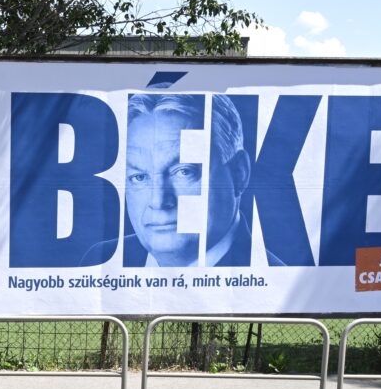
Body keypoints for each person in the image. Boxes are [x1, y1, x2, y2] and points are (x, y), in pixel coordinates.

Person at [85, 93, 280, 267]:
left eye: (184, 171)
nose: (158, 201)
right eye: (139, 177)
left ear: (239, 173)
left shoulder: (279, 288)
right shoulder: (98, 260)